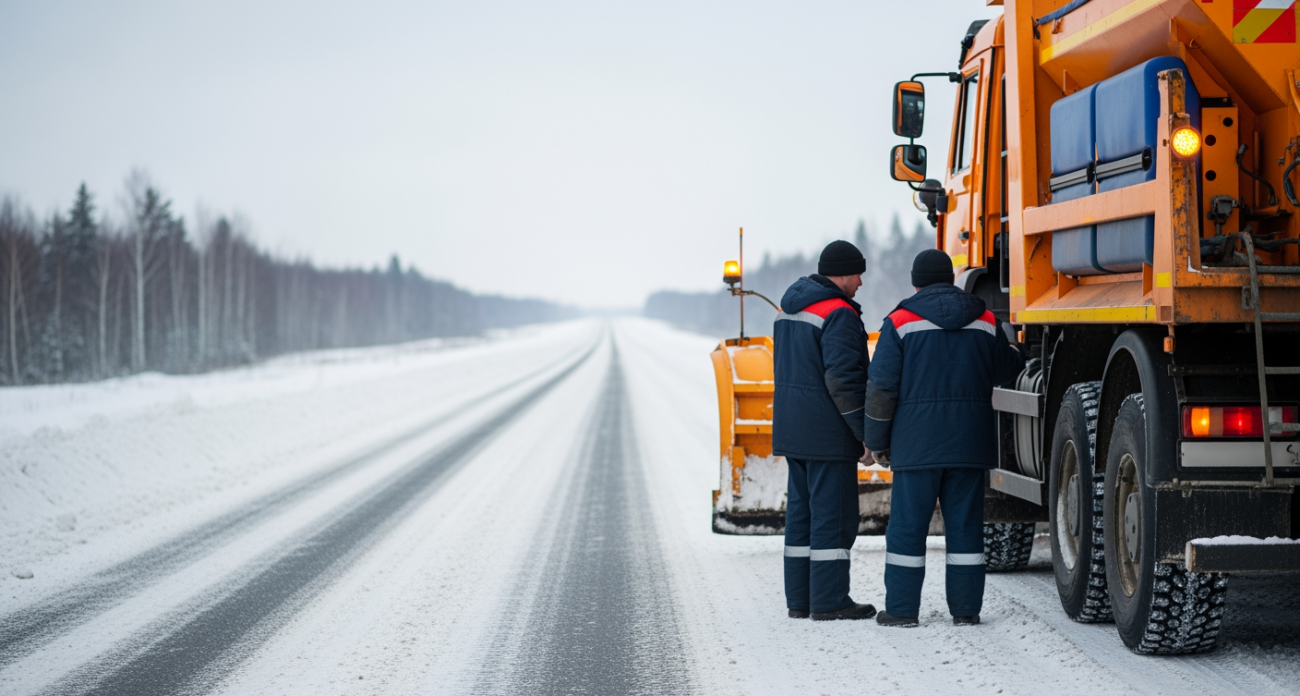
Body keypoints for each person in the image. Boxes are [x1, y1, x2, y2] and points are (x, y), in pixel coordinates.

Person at [863, 249, 1024, 627]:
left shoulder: (900, 321)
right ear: (952, 279)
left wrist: (875, 441)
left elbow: (881, 387)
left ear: (916, 283)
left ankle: (902, 611)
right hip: (969, 445)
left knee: (907, 529)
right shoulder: (984, 318)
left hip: (916, 447)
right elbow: (1006, 369)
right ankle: (966, 611)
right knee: (966, 529)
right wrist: (1015, 346)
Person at [772, 240, 876, 621]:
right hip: (827, 435)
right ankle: (829, 601)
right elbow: (844, 381)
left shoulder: (788, 308)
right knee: (833, 519)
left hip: (793, 430)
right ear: (845, 273)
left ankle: (800, 601)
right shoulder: (839, 313)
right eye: (858, 274)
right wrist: (862, 433)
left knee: (801, 518)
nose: (861, 282)